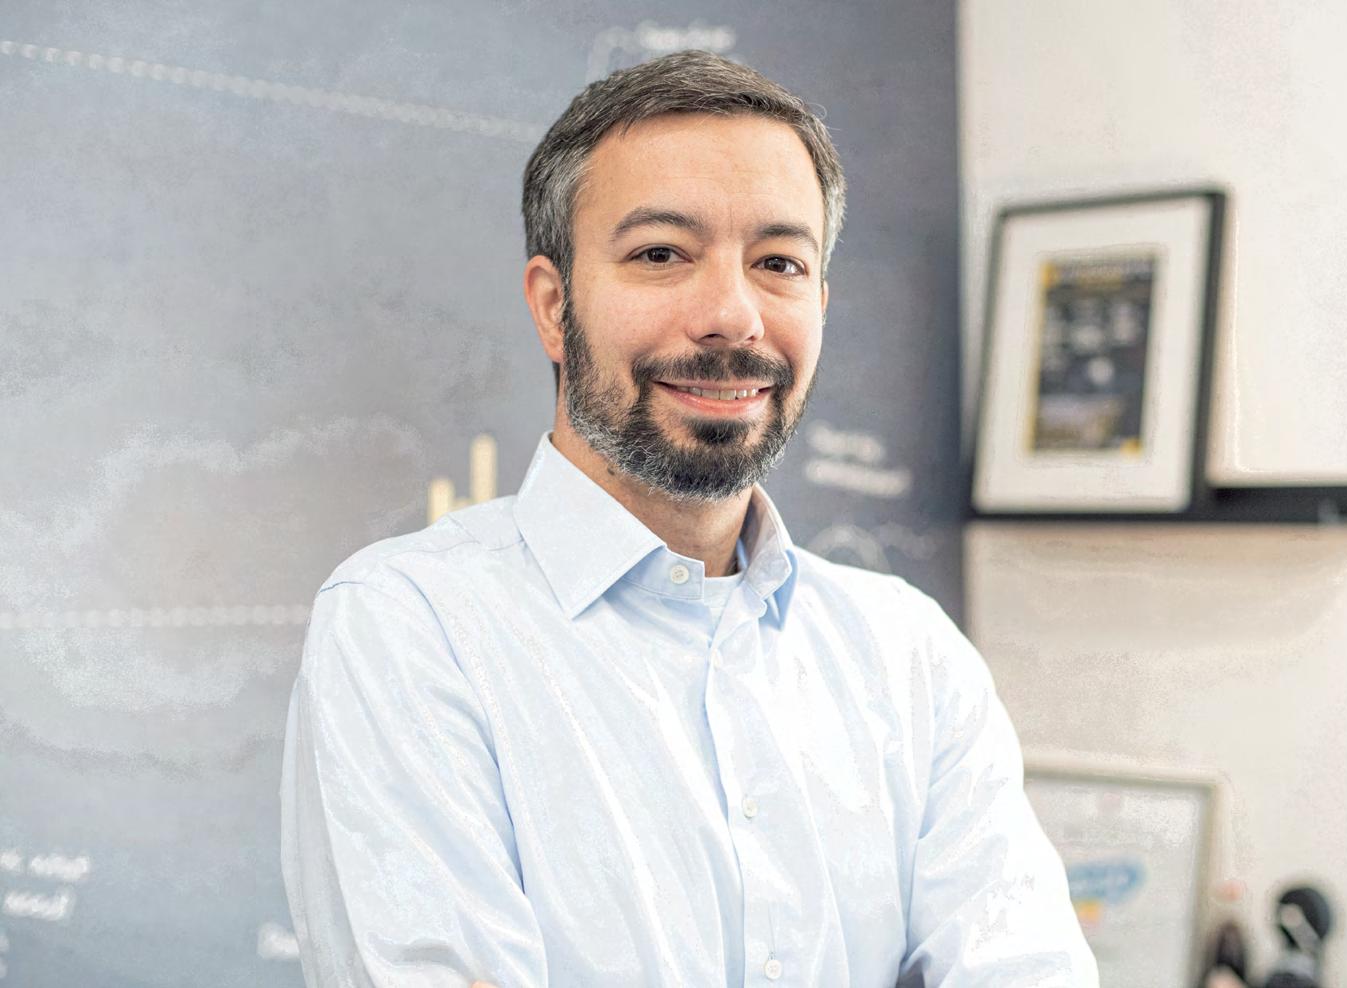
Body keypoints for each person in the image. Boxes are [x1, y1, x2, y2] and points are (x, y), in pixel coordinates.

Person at [280, 50, 1097, 988]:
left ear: (820, 304)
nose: (732, 316)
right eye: (661, 254)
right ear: (553, 307)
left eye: (779, 263)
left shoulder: (912, 658)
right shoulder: (411, 628)